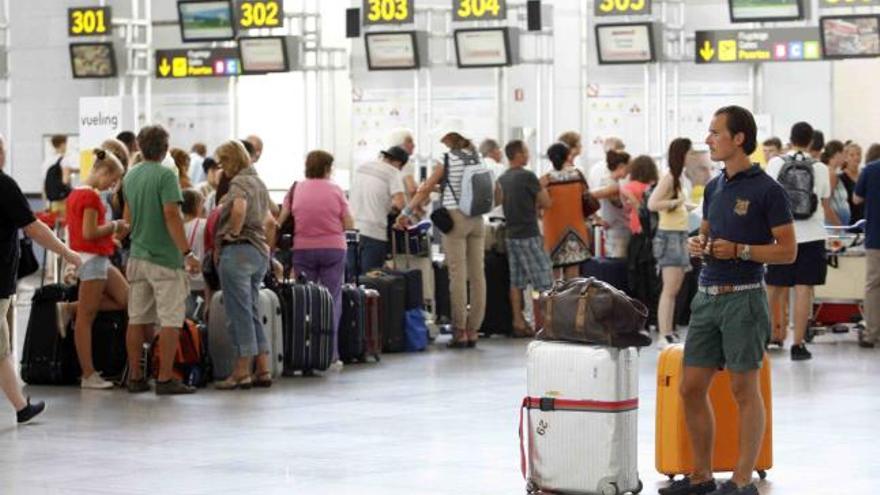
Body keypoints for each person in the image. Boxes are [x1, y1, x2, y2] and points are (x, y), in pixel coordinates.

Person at [661, 106, 796, 495]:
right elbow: (706, 233)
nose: (708, 139)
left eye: (715, 132)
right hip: (706, 297)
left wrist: (740, 250)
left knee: (743, 390)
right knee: (690, 387)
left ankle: (741, 480)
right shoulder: (716, 187)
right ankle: (701, 476)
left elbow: (786, 251)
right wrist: (698, 244)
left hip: (743, 300)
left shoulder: (768, 190)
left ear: (739, 139)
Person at [1, 134, 82, 422]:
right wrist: (68, 252)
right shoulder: (4, 185)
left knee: (2, 349)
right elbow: (33, 228)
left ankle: (21, 408)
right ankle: (21, 407)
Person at [122, 125, 200, 395]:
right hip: (165, 259)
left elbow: (127, 219)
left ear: (140, 147)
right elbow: (171, 215)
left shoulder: (130, 176)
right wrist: (187, 253)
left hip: (137, 256)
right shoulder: (167, 175)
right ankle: (165, 378)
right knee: (170, 319)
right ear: (165, 148)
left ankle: (135, 377)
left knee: (136, 317)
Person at [397, 122, 487, 348]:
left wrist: (407, 212)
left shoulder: (448, 159)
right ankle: (474, 329)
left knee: (457, 274)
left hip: (456, 220)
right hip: (477, 219)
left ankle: (459, 331)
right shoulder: (477, 158)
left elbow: (425, 187)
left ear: (449, 137)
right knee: (478, 276)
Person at [57, 149, 130, 390]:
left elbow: (81, 232)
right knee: (86, 319)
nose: (113, 185)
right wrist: (114, 226)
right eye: (113, 179)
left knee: (126, 299)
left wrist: (109, 238)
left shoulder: (76, 193)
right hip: (93, 260)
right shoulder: (90, 198)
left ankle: (70, 308)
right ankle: (88, 374)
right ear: (103, 171)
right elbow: (90, 232)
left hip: (93, 257)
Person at [765, 122, 831, 361]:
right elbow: (823, 196)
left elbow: (768, 195)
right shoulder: (820, 167)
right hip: (812, 235)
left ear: (790, 139)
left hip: (782, 234)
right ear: (811, 142)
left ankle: (759, 336)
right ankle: (798, 344)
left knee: (772, 288)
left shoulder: (776, 163)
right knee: (804, 290)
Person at [281, 151, 353, 369]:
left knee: (304, 300)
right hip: (333, 249)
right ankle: (331, 355)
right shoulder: (336, 189)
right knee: (332, 298)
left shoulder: (295, 189)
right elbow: (349, 223)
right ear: (326, 168)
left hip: (302, 250)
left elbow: (281, 219)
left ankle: (304, 352)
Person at [214, 140, 276, 389]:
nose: (221, 168)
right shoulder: (259, 181)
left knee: (238, 314)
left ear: (232, 160)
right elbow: (271, 216)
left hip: (238, 251)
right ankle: (263, 368)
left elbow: (239, 208)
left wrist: (232, 231)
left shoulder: (239, 182)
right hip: (259, 252)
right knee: (250, 312)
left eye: (223, 162)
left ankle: (241, 372)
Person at [496, 140, 553, 335]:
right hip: (529, 234)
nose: (528, 155)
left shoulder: (503, 178)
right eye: (526, 152)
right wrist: (542, 185)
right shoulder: (528, 177)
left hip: (511, 235)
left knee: (517, 281)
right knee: (544, 279)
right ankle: (548, 324)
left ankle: (518, 322)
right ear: (518, 154)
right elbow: (546, 203)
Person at [649, 138, 694, 349]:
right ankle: (663, 333)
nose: (692, 156)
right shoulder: (669, 178)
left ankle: (669, 331)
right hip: (670, 237)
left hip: (680, 235)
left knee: (674, 288)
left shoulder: (681, 178)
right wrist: (676, 203)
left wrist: (688, 206)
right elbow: (653, 203)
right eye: (689, 152)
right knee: (669, 288)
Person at [346, 147, 407, 274]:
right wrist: (394, 212)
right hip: (374, 232)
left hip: (351, 229)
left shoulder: (362, 167)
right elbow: (400, 203)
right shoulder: (393, 172)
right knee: (371, 279)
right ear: (398, 163)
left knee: (351, 278)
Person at [541, 142, 591, 280]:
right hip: (575, 229)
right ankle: (571, 301)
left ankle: (554, 301)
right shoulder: (578, 176)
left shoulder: (545, 180)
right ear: (568, 157)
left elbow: (538, 204)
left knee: (553, 276)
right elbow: (587, 198)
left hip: (552, 231)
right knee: (573, 275)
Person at [854, 148, 880, 349]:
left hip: (875, 236)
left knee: (873, 286)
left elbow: (856, 199)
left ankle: (872, 334)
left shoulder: (870, 170)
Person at [591, 150, 632, 258]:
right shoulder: (611, 185)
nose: (630, 170)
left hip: (619, 230)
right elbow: (587, 196)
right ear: (621, 166)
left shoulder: (612, 182)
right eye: (629, 166)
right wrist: (597, 219)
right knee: (617, 268)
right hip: (617, 233)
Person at [621, 155, 660, 235]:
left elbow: (625, 209)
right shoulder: (655, 187)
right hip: (653, 224)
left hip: (635, 223)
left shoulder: (628, 188)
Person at [43, 135, 77, 214]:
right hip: (63, 200)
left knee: (54, 223)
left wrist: (46, 204)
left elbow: (44, 185)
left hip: (51, 201)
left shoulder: (46, 162)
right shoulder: (64, 160)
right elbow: (65, 181)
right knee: (65, 223)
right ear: (62, 145)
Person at [182, 189, 207, 296]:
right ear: (196, 205)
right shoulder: (204, 224)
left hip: (183, 281)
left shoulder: (176, 228)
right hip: (203, 280)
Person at [822, 140, 849, 226]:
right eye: (844, 153)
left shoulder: (830, 171)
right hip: (833, 226)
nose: (845, 157)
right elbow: (825, 204)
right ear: (837, 154)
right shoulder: (831, 175)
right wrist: (837, 224)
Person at [388, 128, 418, 199]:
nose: (413, 145)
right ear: (400, 145)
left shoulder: (389, 161)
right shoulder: (405, 163)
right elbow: (412, 189)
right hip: (404, 206)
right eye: (409, 142)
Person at [841, 142, 864, 224]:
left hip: (865, 221)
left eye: (858, 154)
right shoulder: (841, 177)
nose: (856, 157)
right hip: (849, 222)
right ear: (846, 158)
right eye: (852, 155)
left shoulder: (864, 174)